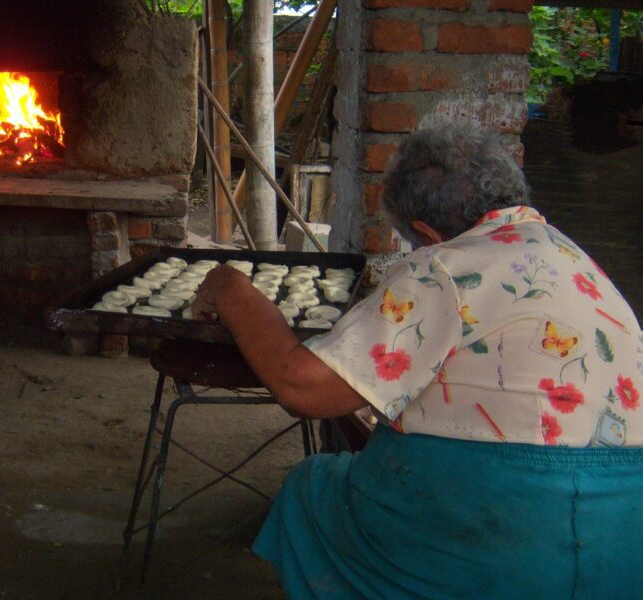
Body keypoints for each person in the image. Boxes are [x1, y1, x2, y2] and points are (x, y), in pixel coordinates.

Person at [191, 124, 642, 599]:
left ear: (427, 232)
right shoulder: (574, 258)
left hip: (507, 534)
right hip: (622, 539)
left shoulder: (445, 266)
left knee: (314, 486)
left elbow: (301, 386)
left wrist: (230, 286)